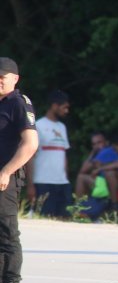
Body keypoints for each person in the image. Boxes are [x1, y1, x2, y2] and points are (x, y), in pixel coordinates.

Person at [0, 58, 38, 283]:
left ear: (15, 78)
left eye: (2, 77)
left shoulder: (18, 103)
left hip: (5, 181)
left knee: (7, 236)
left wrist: (6, 171)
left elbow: (30, 143)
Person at [26, 90, 72, 218]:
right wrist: (30, 185)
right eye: (64, 107)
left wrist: (66, 177)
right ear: (54, 106)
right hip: (43, 181)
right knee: (44, 218)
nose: (66, 111)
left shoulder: (62, 127)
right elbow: (30, 156)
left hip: (62, 183)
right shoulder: (39, 126)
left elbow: (64, 155)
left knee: (65, 218)